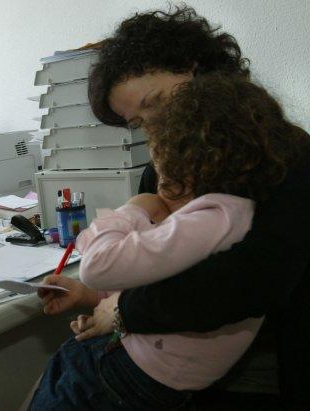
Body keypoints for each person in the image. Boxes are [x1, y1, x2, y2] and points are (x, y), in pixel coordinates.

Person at [38, 6, 310, 408]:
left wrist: (123, 312)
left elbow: (252, 281)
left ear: (194, 67)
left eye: (157, 101)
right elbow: (151, 265)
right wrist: (93, 298)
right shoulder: (165, 174)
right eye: (140, 123)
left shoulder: (286, 158)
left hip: (255, 371)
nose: (156, 127)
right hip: (157, 355)